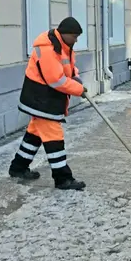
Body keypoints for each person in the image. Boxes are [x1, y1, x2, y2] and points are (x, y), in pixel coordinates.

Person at [9, 17, 88, 191]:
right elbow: (56, 80)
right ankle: (63, 179)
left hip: (47, 99)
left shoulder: (64, 46)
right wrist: (77, 89)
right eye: (75, 36)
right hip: (41, 99)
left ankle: (18, 168)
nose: (76, 40)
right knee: (54, 138)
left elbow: (68, 68)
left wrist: (76, 78)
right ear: (66, 34)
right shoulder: (48, 49)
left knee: (34, 134)